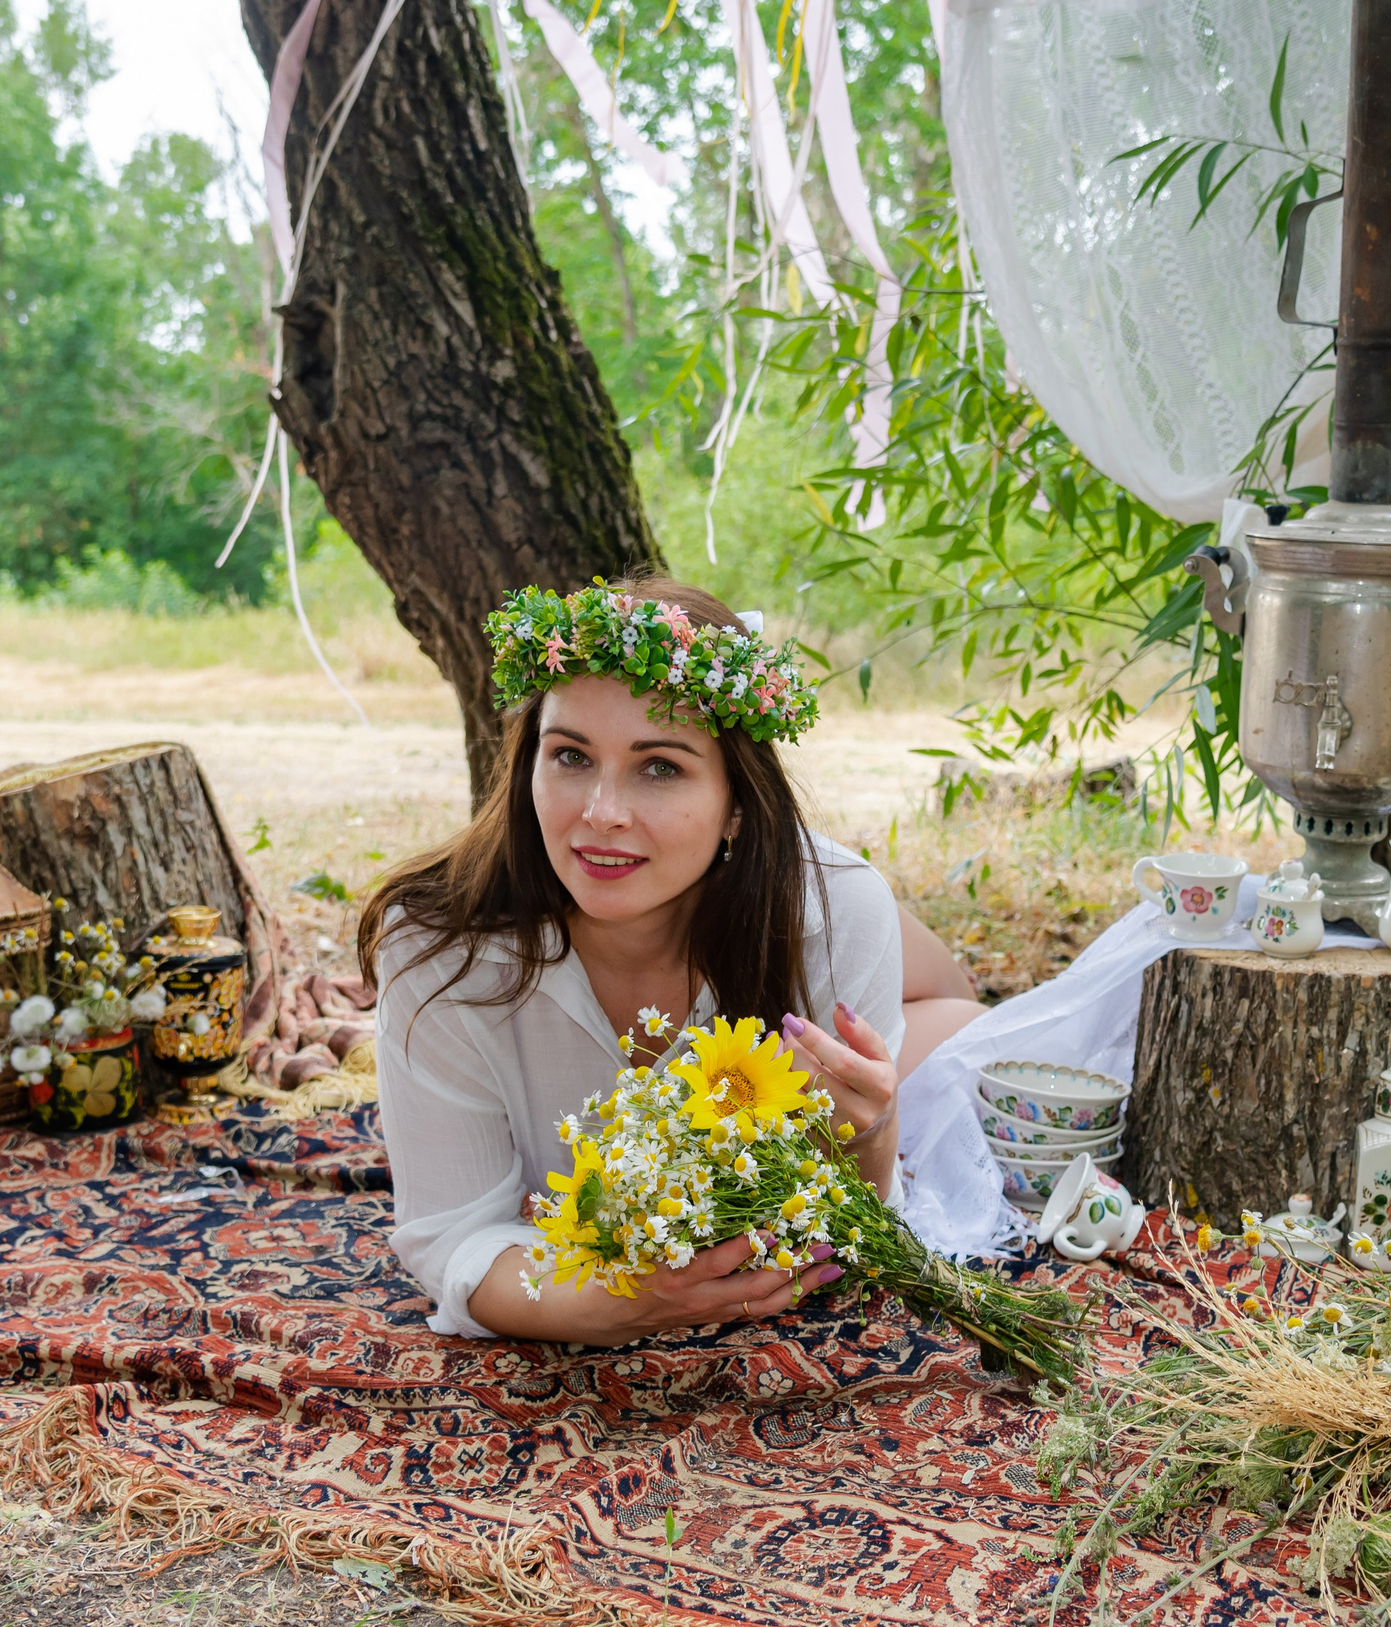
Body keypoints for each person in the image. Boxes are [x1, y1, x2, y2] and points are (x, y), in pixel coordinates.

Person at [363, 576, 987, 1347]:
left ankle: (947, 1014)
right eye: (570, 756)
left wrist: (873, 1132)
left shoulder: (836, 911)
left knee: (965, 1029)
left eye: (659, 766)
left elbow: (848, 1224)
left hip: (801, 913)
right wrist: (618, 1300)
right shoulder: (438, 948)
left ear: (735, 803)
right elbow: (455, 1241)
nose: (601, 814)